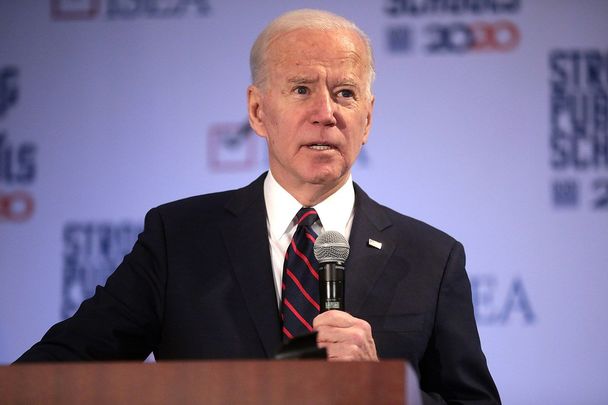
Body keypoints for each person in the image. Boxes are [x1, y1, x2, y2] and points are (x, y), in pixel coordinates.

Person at [16, 8, 500, 404]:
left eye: (345, 94)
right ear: (257, 110)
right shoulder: (179, 238)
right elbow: (55, 370)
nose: (325, 114)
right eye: (302, 89)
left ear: (367, 118)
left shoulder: (432, 258)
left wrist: (390, 391)